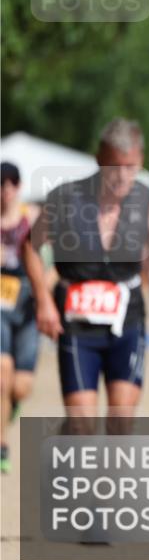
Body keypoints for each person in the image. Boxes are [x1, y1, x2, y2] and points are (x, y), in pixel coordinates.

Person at [26, 118, 149, 435]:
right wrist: (44, 302)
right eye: (114, 166)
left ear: (141, 161)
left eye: (130, 167)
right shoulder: (65, 199)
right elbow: (30, 248)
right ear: (99, 159)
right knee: (81, 426)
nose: (122, 176)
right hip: (76, 321)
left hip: (126, 319)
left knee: (121, 422)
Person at [0, 162, 40, 473]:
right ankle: (2, 445)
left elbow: (49, 261)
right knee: (2, 374)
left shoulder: (33, 217)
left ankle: (12, 406)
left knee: (20, 386)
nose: (6, 190)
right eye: (2, 183)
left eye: (12, 183)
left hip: (27, 303)